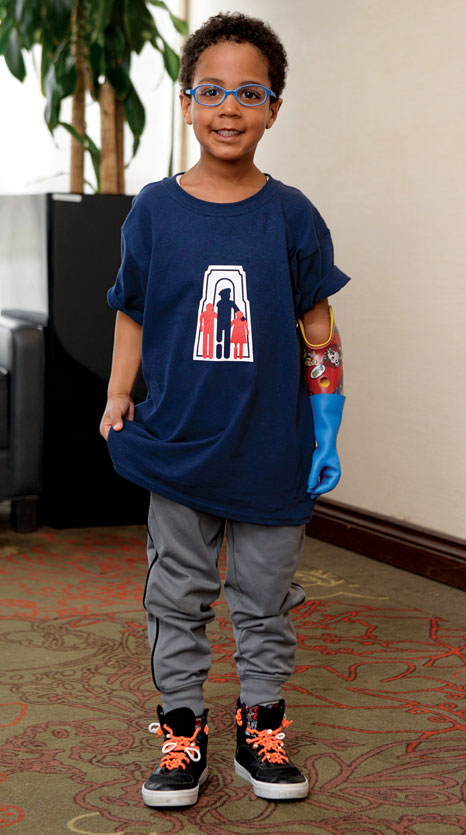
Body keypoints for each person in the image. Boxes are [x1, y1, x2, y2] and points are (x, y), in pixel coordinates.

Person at [100, 11, 350, 808]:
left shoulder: (292, 214)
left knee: (265, 597)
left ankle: (260, 727)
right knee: (175, 591)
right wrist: (116, 393)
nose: (229, 108)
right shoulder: (153, 210)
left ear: (275, 107)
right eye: (211, 91)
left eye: (250, 92)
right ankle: (182, 732)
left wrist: (327, 425)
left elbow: (320, 329)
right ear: (185, 102)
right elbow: (132, 310)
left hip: (273, 445)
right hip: (178, 440)